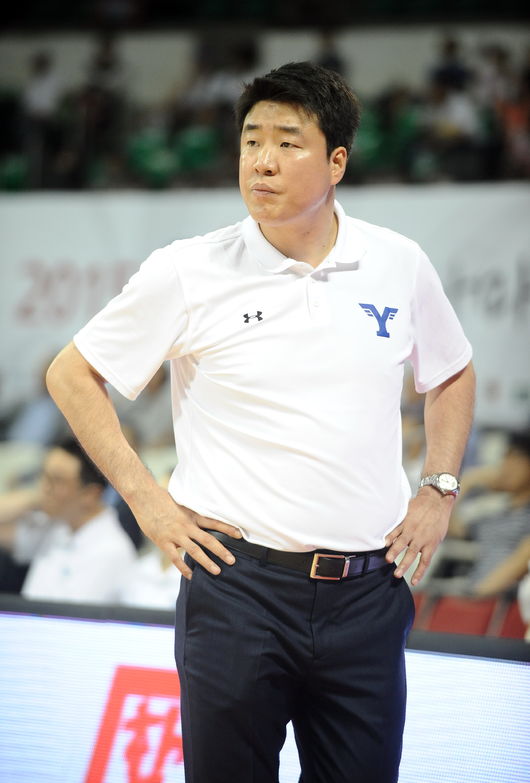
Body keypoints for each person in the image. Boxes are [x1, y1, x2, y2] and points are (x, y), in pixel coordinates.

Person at [46, 62, 475, 783]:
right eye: (251, 141)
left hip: (368, 591)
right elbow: (71, 374)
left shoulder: (398, 263)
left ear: (337, 162)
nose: (262, 161)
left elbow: (452, 372)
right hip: (236, 590)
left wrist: (439, 487)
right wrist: (148, 503)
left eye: (287, 141)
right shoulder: (189, 269)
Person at [0, 436, 136, 603]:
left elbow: (74, 616)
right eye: (44, 476)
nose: (44, 488)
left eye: (56, 481)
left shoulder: (111, 551)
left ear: (90, 494)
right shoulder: (56, 524)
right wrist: (32, 499)